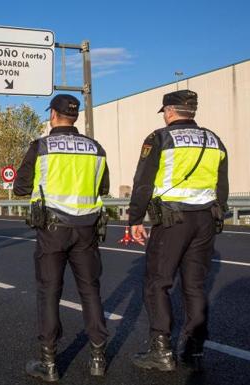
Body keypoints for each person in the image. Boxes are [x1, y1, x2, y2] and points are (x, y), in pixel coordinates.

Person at [129, 90, 228, 372]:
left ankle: (161, 351)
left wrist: (135, 218)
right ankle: (194, 349)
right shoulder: (214, 139)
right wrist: (217, 215)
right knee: (195, 285)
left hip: (173, 220)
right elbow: (222, 185)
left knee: (158, 282)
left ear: (170, 112)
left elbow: (144, 181)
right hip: (205, 219)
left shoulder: (159, 137)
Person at [14, 94, 110, 381]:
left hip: (53, 230)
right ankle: (97, 358)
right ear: (75, 116)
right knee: (90, 291)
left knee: (49, 292)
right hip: (87, 229)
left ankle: (50, 363)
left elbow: (20, 187)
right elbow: (103, 187)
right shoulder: (95, 148)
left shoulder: (40, 146)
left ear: (53, 115)